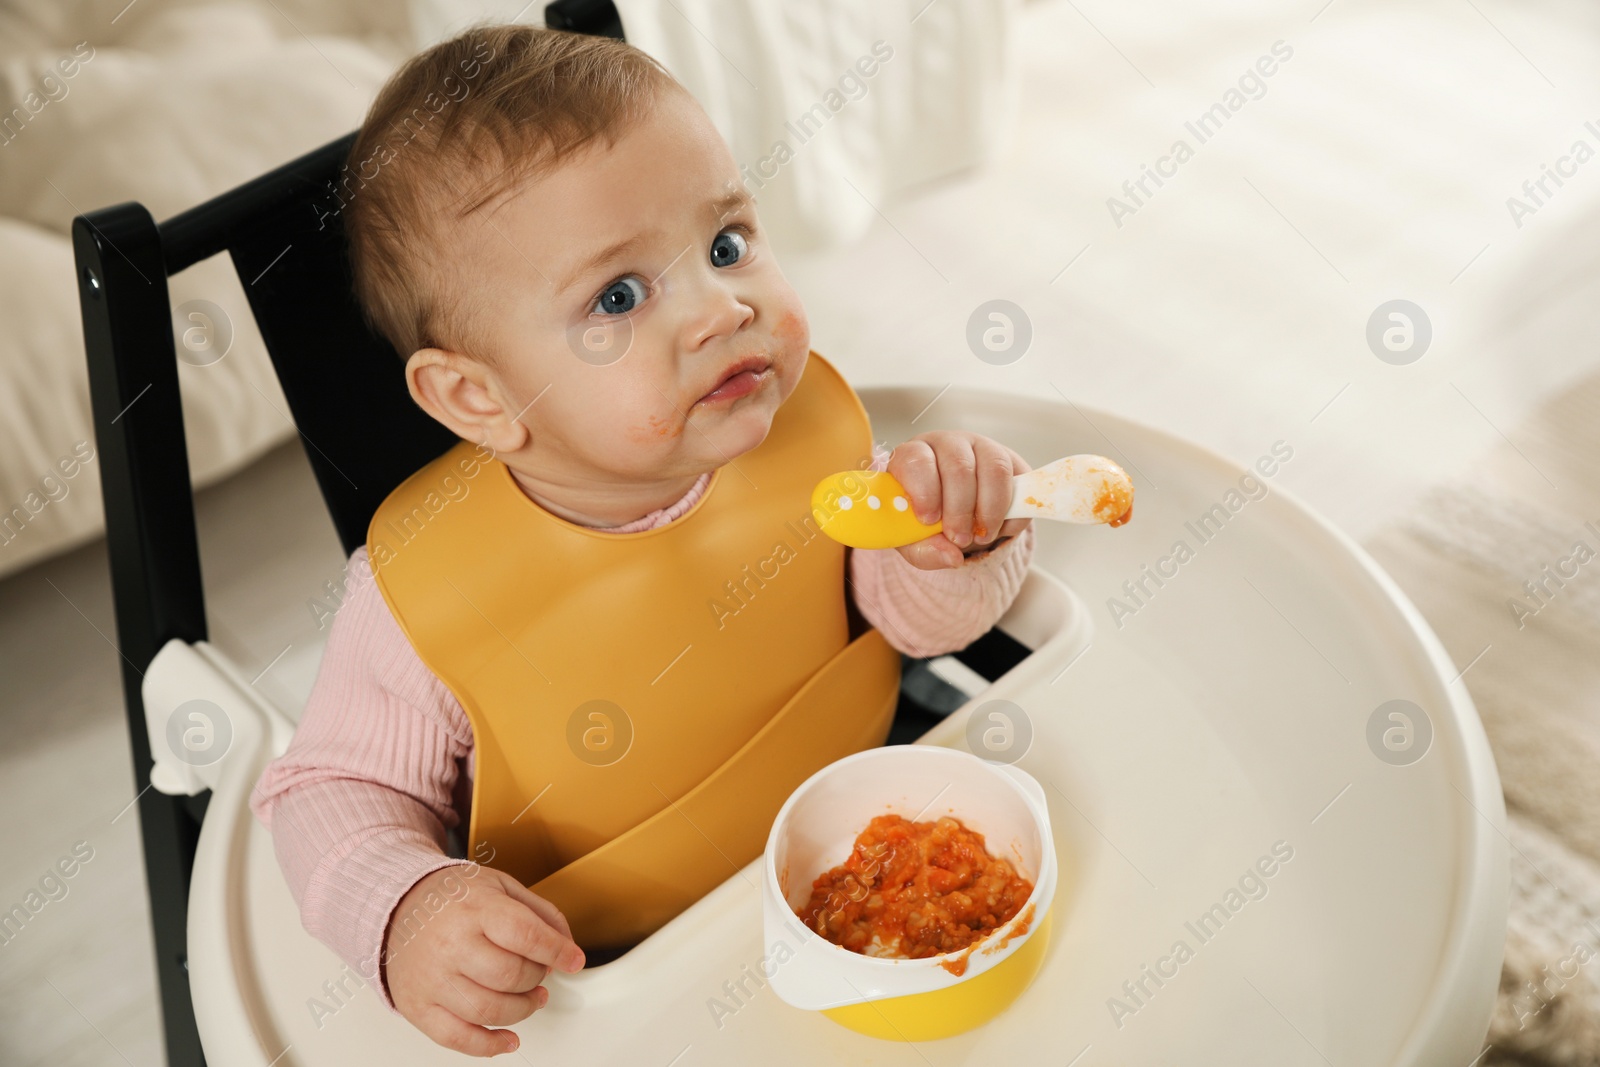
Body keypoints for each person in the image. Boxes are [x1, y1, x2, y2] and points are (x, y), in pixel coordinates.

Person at [249, 23, 1035, 1058]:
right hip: (613, 974)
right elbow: (332, 791)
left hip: (849, 859)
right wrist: (405, 906)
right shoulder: (421, 593)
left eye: (725, 243)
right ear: (477, 397)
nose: (724, 309)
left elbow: (913, 624)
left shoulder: (804, 433)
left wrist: (951, 549)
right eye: (617, 297)